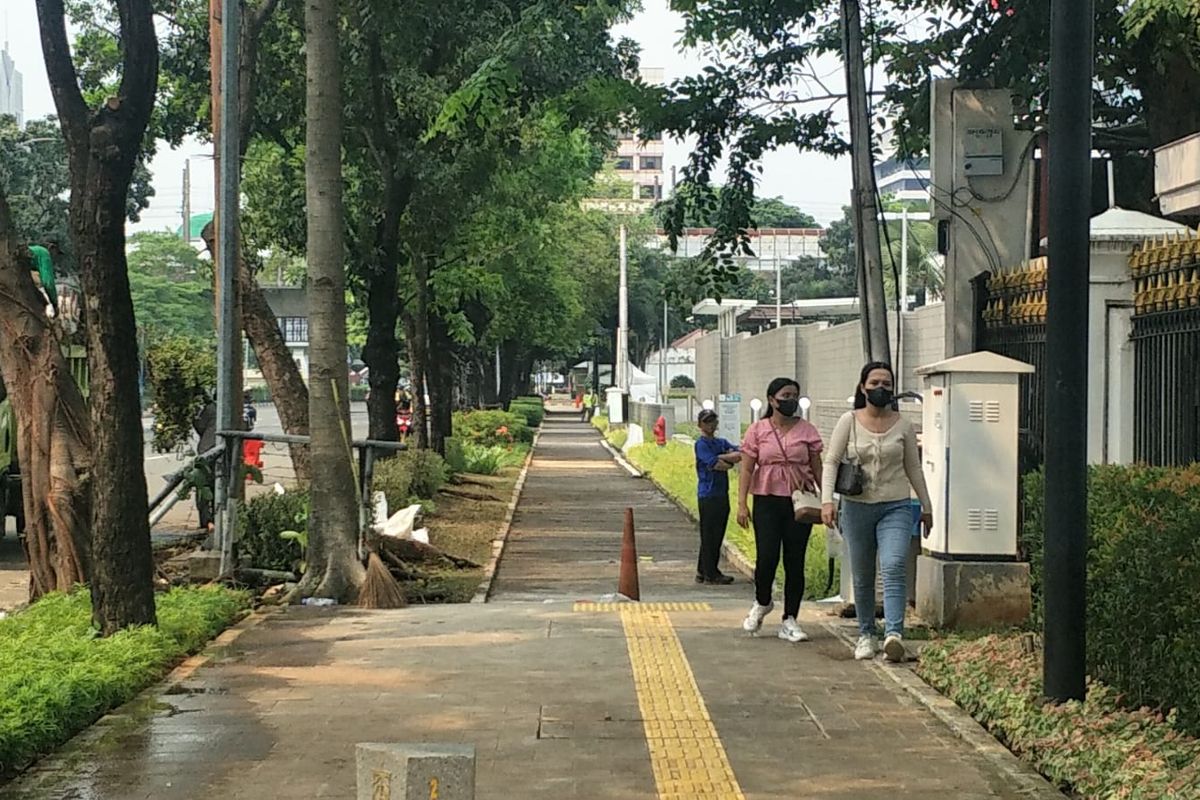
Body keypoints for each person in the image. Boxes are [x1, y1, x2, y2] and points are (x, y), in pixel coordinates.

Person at [821, 361, 933, 663]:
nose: (880, 388)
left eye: (886, 384)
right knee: (863, 574)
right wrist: (826, 501)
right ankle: (867, 634)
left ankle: (894, 634)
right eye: (874, 383)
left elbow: (914, 468)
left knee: (895, 564)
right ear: (862, 387)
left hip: (895, 506)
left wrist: (926, 506)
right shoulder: (849, 420)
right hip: (856, 508)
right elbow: (831, 461)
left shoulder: (904, 425)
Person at [737, 377, 824, 642]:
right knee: (767, 557)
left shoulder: (807, 430)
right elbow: (746, 467)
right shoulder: (757, 430)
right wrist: (741, 503)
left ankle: (790, 619)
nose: (791, 400)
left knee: (795, 560)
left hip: (800, 502)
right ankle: (762, 601)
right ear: (772, 400)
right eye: (785, 395)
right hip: (766, 498)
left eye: (794, 395)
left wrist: (828, 499)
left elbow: (818, 467)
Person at [694, 409, 740, 585]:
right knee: (709, 534)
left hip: (722, 494)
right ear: (700, 425)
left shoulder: (720, 442)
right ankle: (711, 573)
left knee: (717, 533)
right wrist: (725, 459)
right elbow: (717, 465)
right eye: (706, 422)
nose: (710, 425)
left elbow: (738, 455)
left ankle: (703, 570)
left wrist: (722, 457)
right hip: (708, 494)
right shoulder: (701, 444)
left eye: (713, 421)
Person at [192, 396, 217, 531]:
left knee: (203, 486)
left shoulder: (210, 409)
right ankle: (214, 520)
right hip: (221, 452)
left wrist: (193, 417)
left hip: (207, 452)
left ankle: (206, 521)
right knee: (218, 486)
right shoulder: (232, 410)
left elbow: (200, 427)